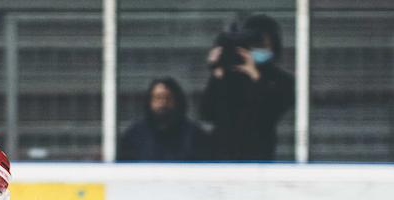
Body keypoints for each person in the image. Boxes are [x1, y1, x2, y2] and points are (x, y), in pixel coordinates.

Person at [202, 14, 295, 160]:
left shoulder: (282, 80)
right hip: (221, 155)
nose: (256, 49)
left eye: (262, 44)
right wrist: (217, 74)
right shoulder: (231, 75)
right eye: (253, 44)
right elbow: (207, 113)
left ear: (273, 46)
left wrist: (256, 76)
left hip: (258, 156)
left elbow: (270, 113)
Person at [118, 78, 209, 162]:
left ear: (177, 101)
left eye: (168, 98)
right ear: (150, 102)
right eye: (158, 98)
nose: (163, 103)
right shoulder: (134, 136)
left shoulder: (194, 135)